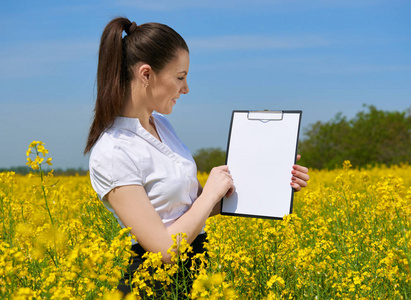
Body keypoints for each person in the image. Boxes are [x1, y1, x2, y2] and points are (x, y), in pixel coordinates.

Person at [84, 17, 310, 296]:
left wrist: (273, 181)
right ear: (146, 74)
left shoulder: (162, 127)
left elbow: (196, 209)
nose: (186, 88)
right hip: (153, 287)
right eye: (180, 77)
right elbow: (164, 251)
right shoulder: (113, 152)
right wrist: (208, 194)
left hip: (194, 274)